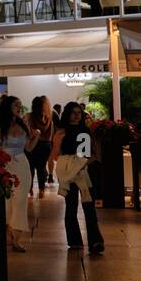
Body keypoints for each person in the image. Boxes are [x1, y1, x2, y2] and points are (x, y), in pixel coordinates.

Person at [51, 101, 105, 254]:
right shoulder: (61, 132)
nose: (76, 115)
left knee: (89, 207)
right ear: (67, 114)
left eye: (78, 113)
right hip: (68, 173)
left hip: (84, 172)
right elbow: (56, 155)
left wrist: (80, 164)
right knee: (71, 205)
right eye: (73, 112)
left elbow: (89, 154)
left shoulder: (84, 131)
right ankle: (74, 241)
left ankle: (95, 241)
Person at [0, 95, 38, 251]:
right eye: (16, 105)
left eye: (20, 105)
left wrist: (36, 137)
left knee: (20, 201)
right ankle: (5, 232)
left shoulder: (22, 124)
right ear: (7, 107)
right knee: (6, 201)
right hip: (5, 164)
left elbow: (29, 148)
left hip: (22, 164)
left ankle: (16, 238)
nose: (19, 107)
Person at [26, 96, 55, 197]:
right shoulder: (49, 117)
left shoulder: (29, 116)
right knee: (41, 167)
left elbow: (27, 132)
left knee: (30, 167)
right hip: (45, 145)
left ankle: (30, 189)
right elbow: (51, 134)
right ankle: (41, 189)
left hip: (33, 144)